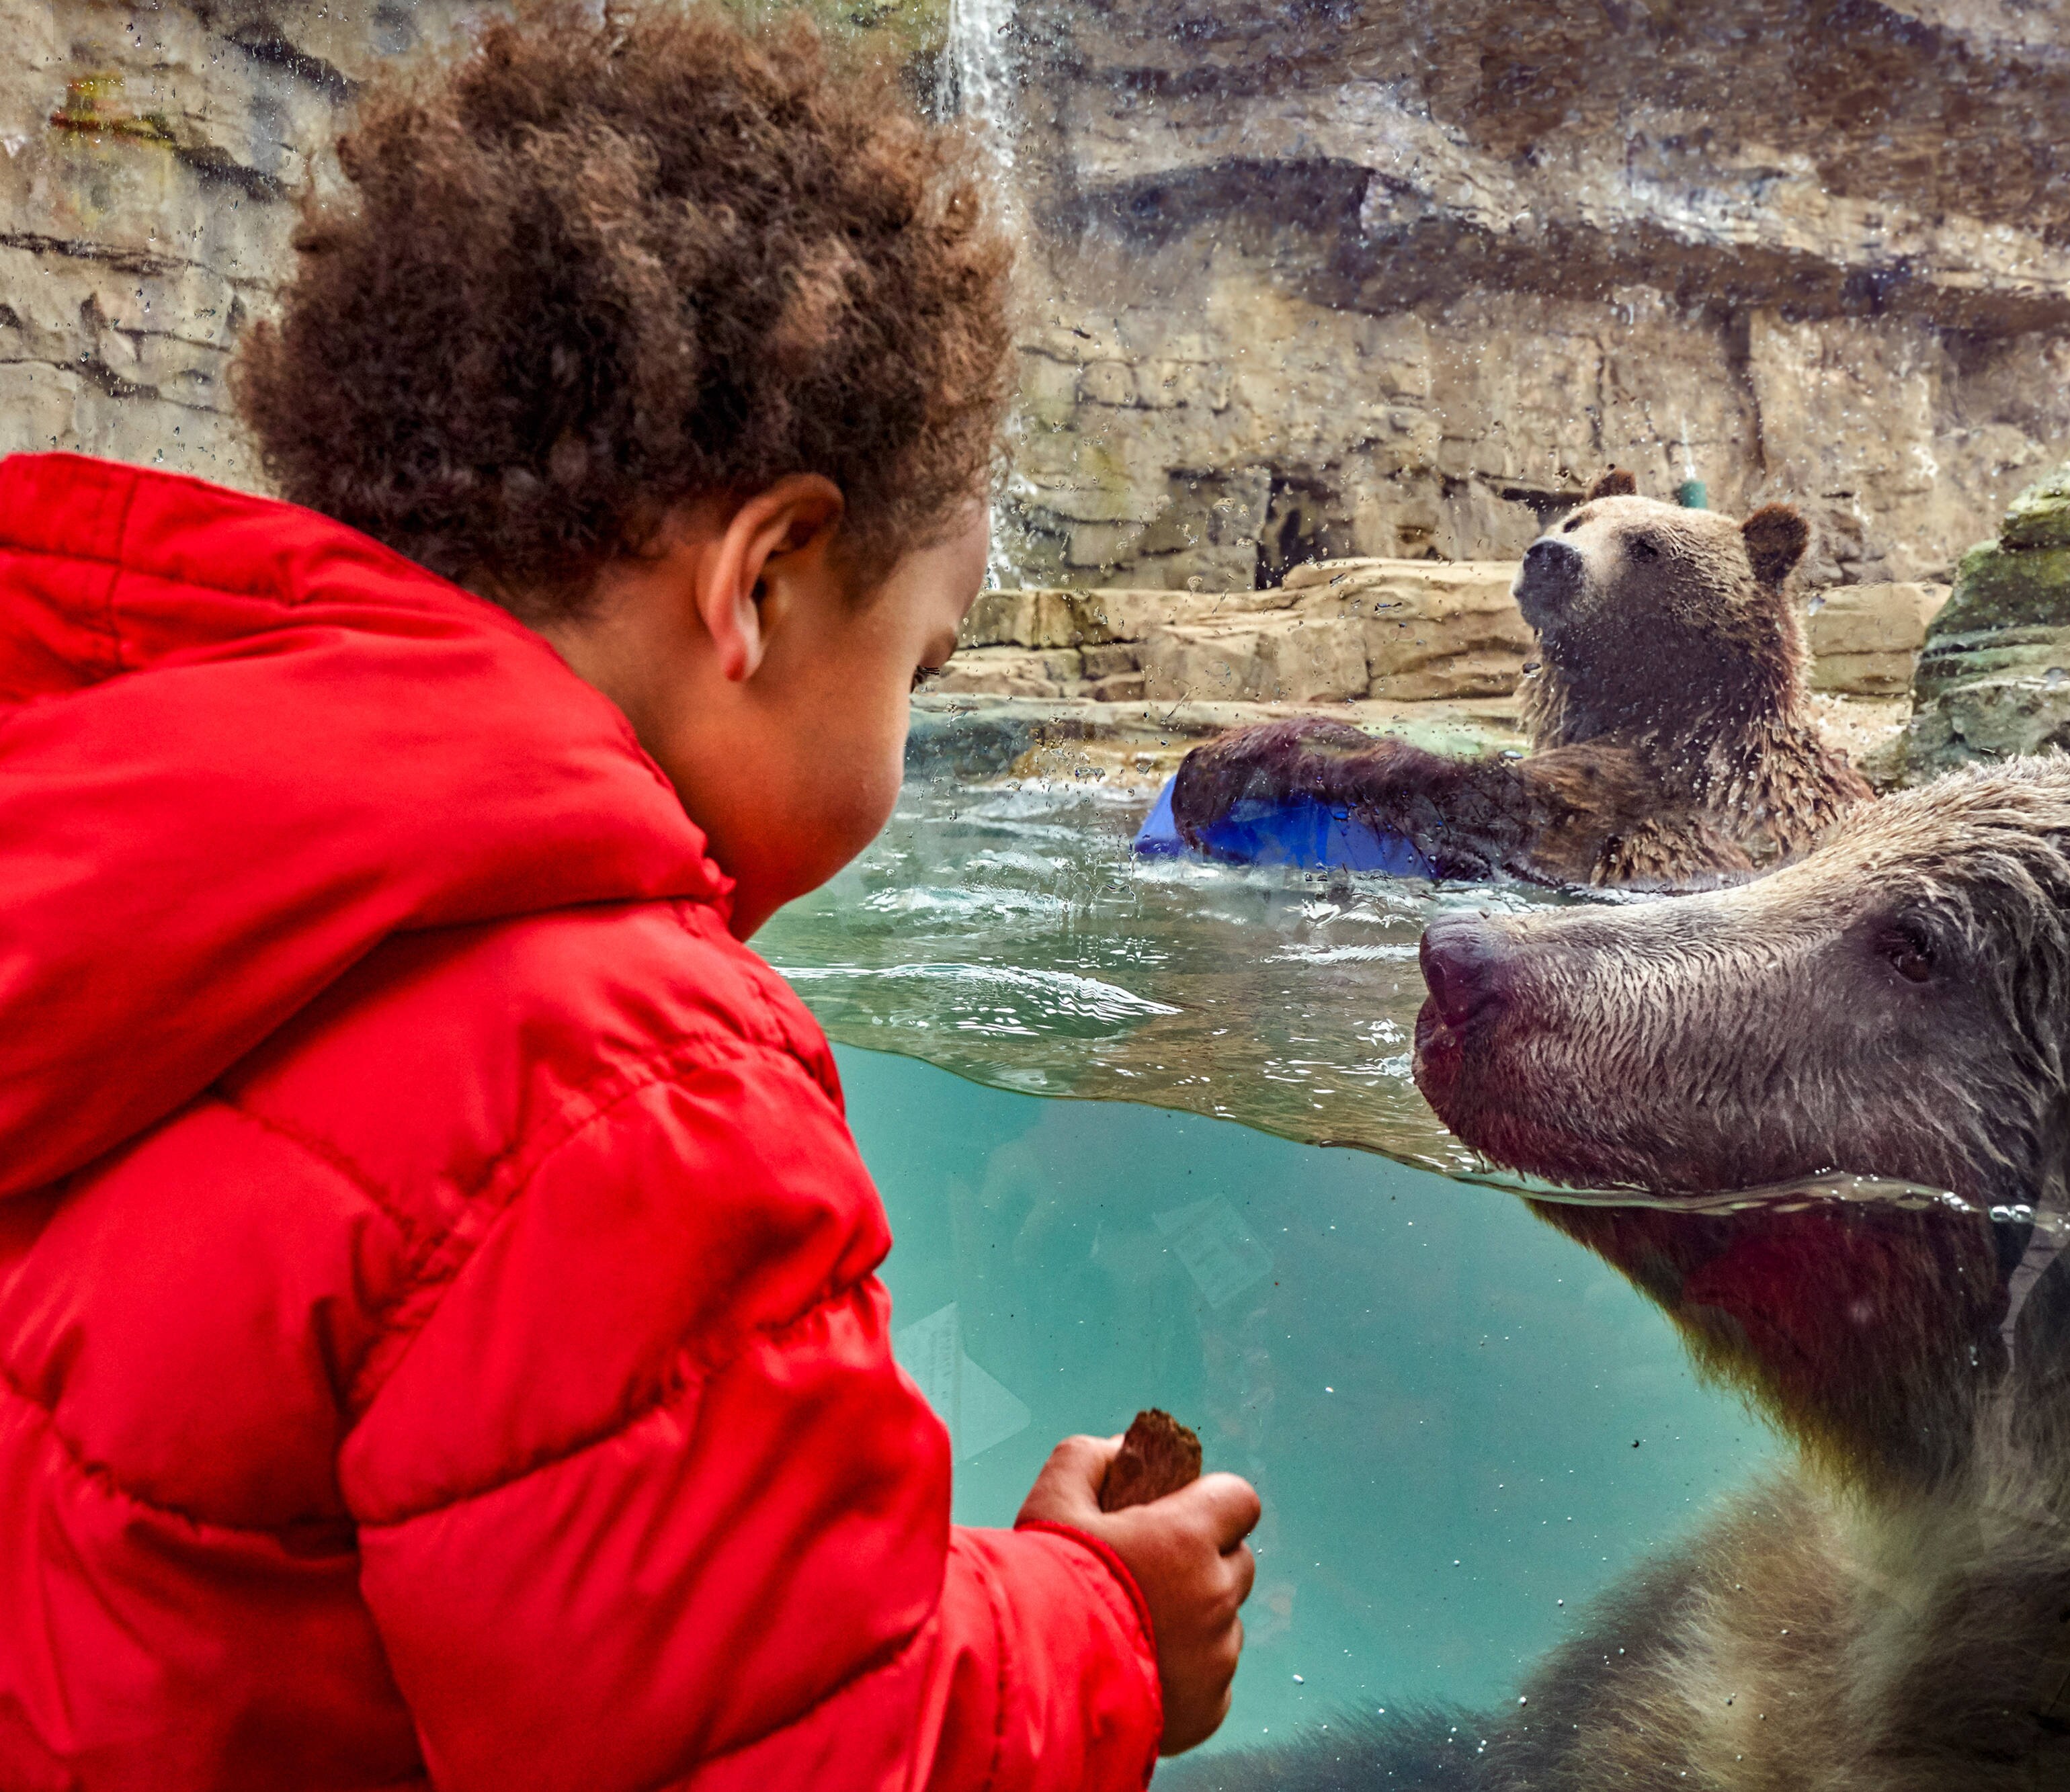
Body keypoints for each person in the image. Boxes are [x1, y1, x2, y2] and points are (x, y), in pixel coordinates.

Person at [0, 5, 1255, 1787]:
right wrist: (1099, 1626)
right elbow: (801, 1754)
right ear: (761, 585)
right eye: (919, 665)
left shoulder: (119, 843)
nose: (908, 723)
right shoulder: (625, 1082)